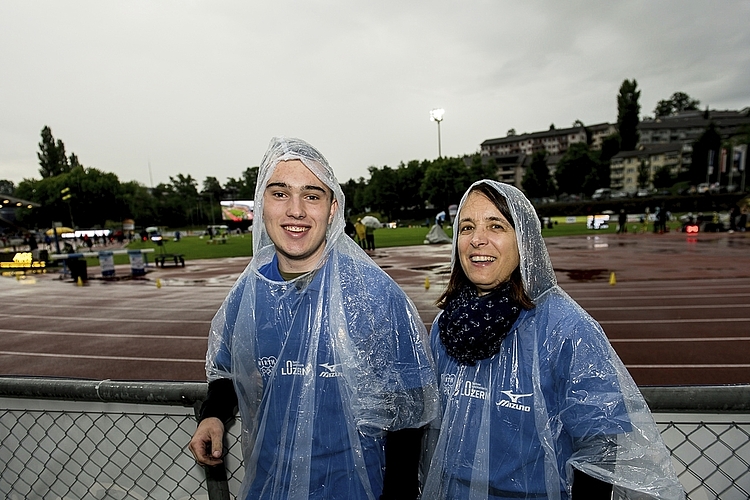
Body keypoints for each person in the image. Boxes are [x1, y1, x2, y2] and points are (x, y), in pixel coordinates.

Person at [189, 137, 438, 500]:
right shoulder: (248, 292)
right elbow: (227, 369)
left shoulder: (374, 293)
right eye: (279, 194)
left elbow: (408, 407)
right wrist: (212, 415)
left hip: (355, 487)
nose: (296, 211)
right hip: (270, 484)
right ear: (261, 207)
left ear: (333, 208)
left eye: (311, 195)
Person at [421, 180, 684, 500]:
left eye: (496, 226)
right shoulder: (445, 328)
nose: (478, 239)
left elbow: (599, 448)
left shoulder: (569, 330)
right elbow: (433, 433)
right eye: (466, 227)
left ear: (525, 240)